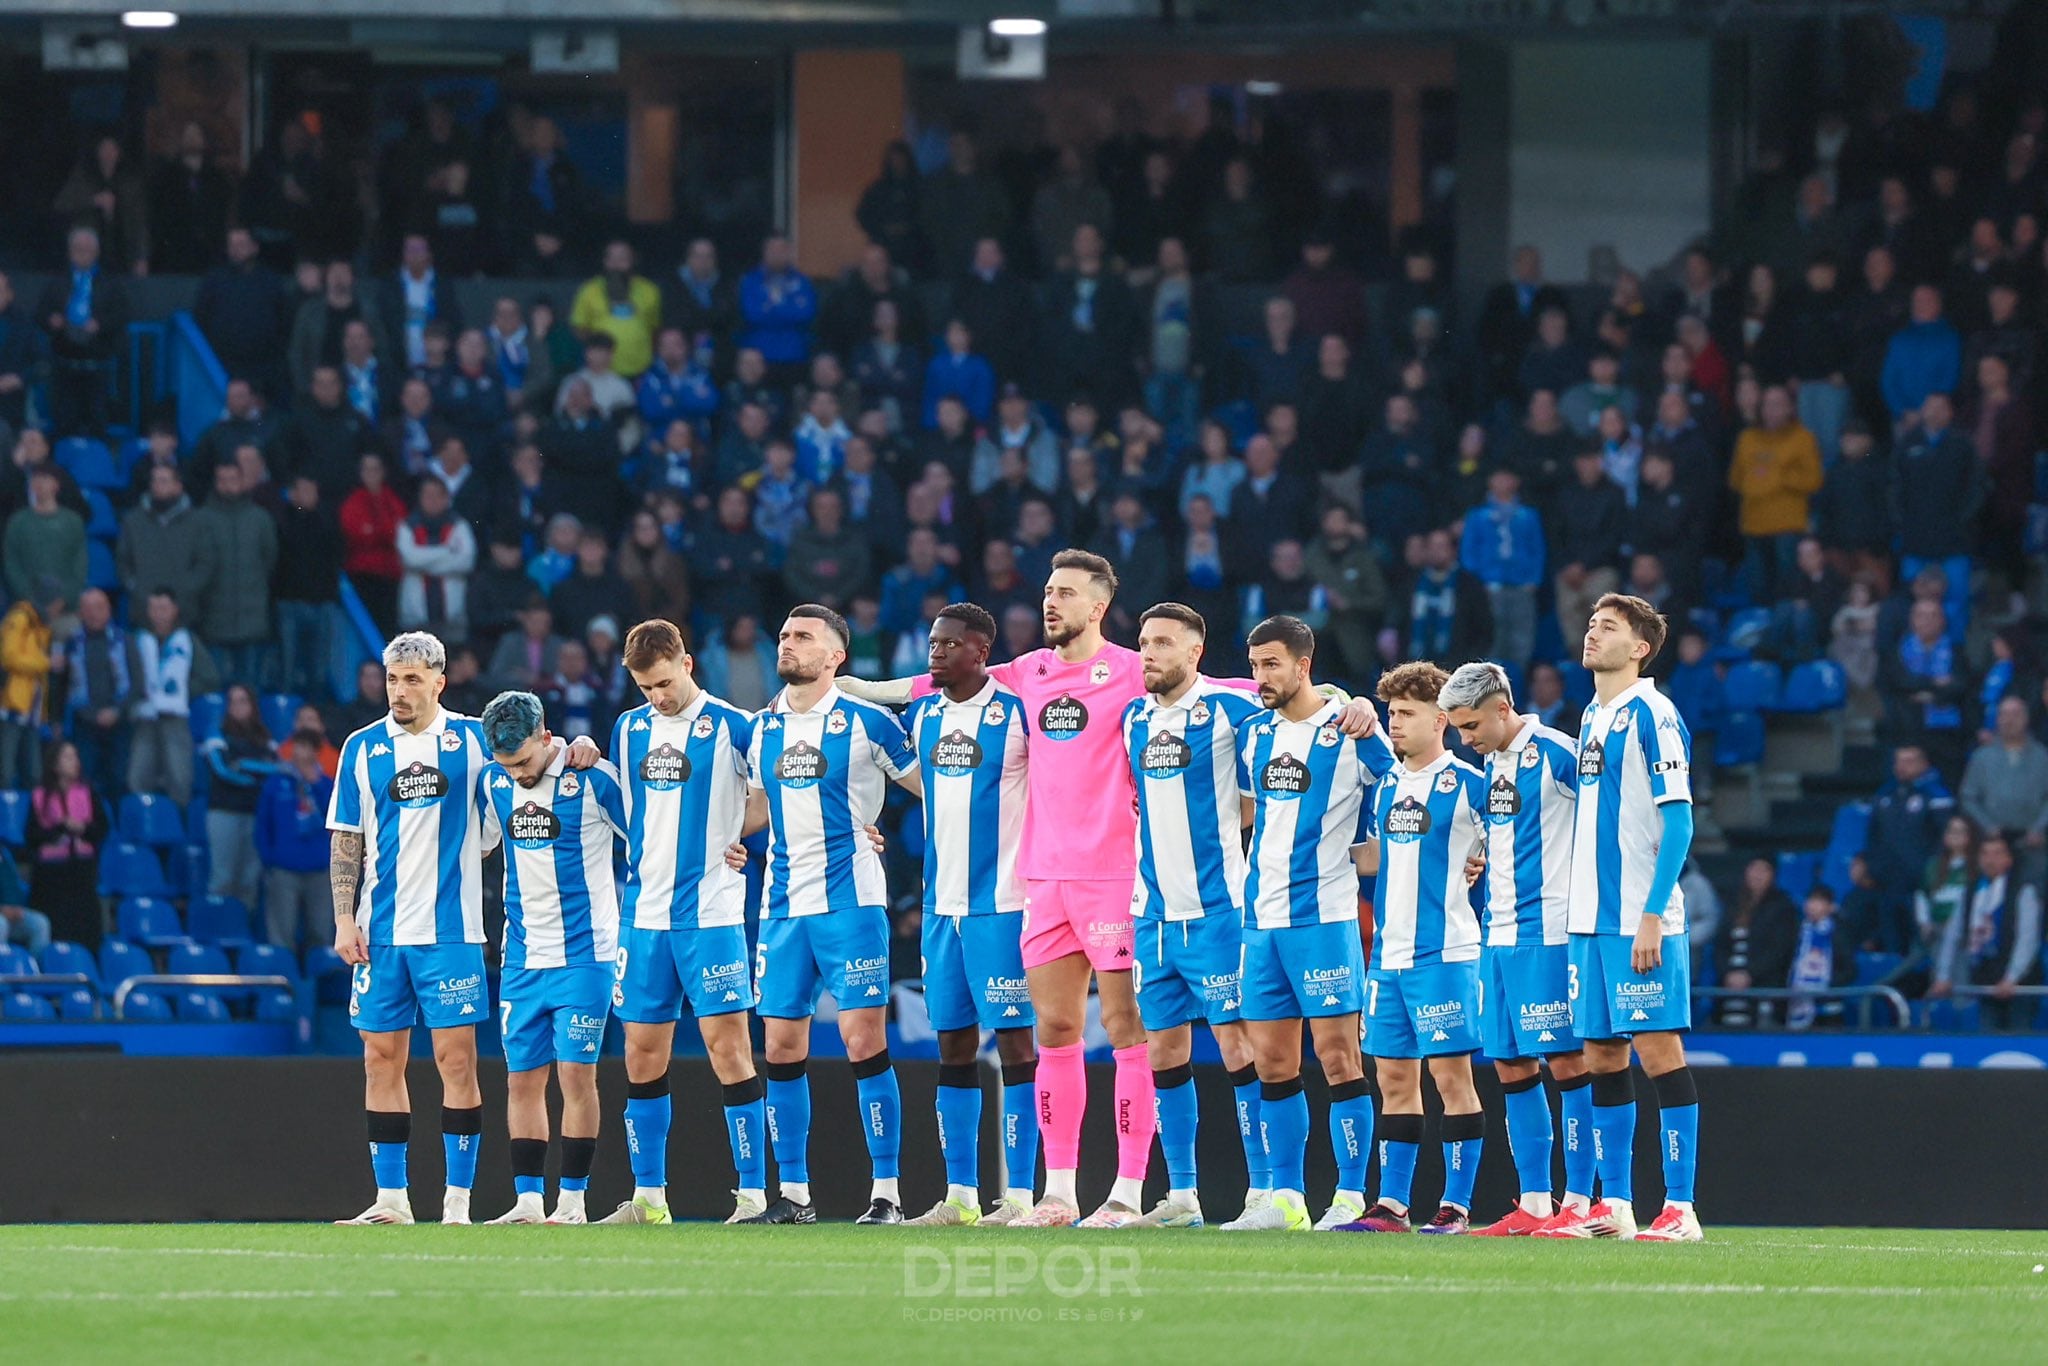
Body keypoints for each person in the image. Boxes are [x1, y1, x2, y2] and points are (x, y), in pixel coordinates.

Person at [842, 553, 1377, 1225]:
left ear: (1097, 607)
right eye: (1047, 591)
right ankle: (1059, 1191)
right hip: (1042, 878)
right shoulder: (1026, 672)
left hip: (1120, 882)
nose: (1050, 602)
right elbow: (929, 681)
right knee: (1058, 1029)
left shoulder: (1135, 672)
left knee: (1142, 1033)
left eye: (1065, 593)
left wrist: (1340, 697)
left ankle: (1135, 1189)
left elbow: (1263, 692)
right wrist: (849, 687)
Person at [326, 631, 596, 1226]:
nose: (399, 690)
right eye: (393, 678)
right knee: (380, 1060)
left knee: (456, 1063)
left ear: (439, 682)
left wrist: (580, 743)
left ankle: (457, 1204)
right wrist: (345, 917)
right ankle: (392, 1200)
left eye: (413, 679)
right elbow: (347, 836)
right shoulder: (361, 747)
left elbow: (536, 758)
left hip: (453, 933)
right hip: (382, 932)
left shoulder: (475, 740)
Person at [734, 605, 921, 1224]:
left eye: (803, 637)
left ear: (836, 657)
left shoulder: (870, 721)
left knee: (862, 1039)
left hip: (852, 902)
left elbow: (933, 786)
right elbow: (758, 806)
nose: (788, 644)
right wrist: (729, 839)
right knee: (781, 1045)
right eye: (784, 634)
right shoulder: (761, 728)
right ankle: (794, 1195)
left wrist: (888, 831)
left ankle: (887, 1193)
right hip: (783, 904)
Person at [1534, 594, 1701, 1243]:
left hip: (1637, 918)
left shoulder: (1654, 714)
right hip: (1588, 923)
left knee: (1659, 1053)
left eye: (1607, 627)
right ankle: (1617, 1206)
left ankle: (1681, 1209)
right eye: (1590, 623)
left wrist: (1653, 915)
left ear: (1639, 647)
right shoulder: (1594, 715)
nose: (1591, 633)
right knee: (1603, 1056)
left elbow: (1679, 819)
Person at [1220, 618, 1393, 1234]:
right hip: (1260, 921)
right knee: (1272, 1063)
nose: (1261, 677)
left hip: (1324, 918)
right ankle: (1286, 1197)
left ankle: (1349, 1194)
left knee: (1340, 1058)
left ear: (1303, 664)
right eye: (1254, 664)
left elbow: (1405, 785)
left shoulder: (1351, 730)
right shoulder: (1253, 734)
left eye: (1272, 664)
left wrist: (1362, 706)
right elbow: (1246, 811)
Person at [596, 621, 769, 1225]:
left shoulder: (732, 724)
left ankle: (752, 1195)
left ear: (688, 663)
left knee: (730, 1050)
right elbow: (625, 808)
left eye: (665, 683)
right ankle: (649, 1199)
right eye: (645, 687)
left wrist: (736, 831)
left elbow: (776, 788)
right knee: (641, 1054)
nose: (657, 697)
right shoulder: (628, 728)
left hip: (712, 914)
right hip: (644, 916)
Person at [1114, 603, 1272, 1229]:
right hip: (1152, 913)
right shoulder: (1132, 718)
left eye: (1161, 644)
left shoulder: (1232, 709)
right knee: (1163, 1051)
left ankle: (1266, 1190)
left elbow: (1298, 710)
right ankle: (1183, 1195)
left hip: (1219, 912)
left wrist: (1351, 701)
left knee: (1240, 1047)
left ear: (1194, 653)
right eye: (1143, 642)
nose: (1147, 653)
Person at [1439, 662, 1592, 1236]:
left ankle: (1579, 1203)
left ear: (1503, 707)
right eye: (1456, 728)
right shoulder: (1492, 766)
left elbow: (1612, 815)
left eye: (1472, 725)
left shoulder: (1557, 754)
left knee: (1570, 1063)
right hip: (1495, 936)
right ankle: (1534, 1203)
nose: (1465, 738)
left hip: (1547, 935)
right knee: (1509, 1065)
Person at [897, 604, 1038, 1227]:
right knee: (951, 1047)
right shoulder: (922, 715)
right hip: (940, 909)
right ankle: (958, 1196)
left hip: (1002, 907)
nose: (935, 652)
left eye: (948, 644)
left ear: (981, 650)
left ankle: (1024, 1195)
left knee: (1016, 1047)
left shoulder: (1017, 715)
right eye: (932, 642)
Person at [1335, 661, 1486, 1236]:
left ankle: (1456, 1205)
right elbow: (1376, 858)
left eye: (1406, 714)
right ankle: (1393, 1205)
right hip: (1388, 959)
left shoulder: (1472, 785)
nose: (1394, 725)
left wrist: (1486, 859)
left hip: (1445, 955)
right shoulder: (1388, 785)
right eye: (1391, 713)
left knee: (1453, 1080)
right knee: (1395, 1082)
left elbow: (1514, 843)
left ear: (1441, 719)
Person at [477, 690, 628, 1225]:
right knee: (521, 1080)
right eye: (505, 764)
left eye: (523, 761)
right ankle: (526, 1201)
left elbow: (650, 841)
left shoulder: (594, 779)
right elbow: (478, 845)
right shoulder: (493, 782)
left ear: (546, 738)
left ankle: (572, 1202)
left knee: (576, 1077)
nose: (516, 773)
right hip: (520, 959)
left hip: (587, 956)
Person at [1930, 832, 2044, 1030]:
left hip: (2019, 986)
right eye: (1985, 854)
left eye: (1997, 853)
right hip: (1986, 982)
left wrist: (2012, 978)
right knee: (1988, 1036)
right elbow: (1953, 935)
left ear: (2008, 859)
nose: (1990, 860)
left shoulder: (2023, 891)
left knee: (2019, 1040)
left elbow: (2027, 938)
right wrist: (1943, 976)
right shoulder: (1970, 892)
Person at [125, 591, 219, 807]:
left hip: (175, 716)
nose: (158, 614)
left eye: (164, 608)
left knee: (179, 776)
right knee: (138, 775)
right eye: (154, 608)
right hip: (145, 716)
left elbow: (210, 678)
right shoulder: (138, 639)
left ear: (175, 610)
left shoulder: (187, 640)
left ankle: (180, 827)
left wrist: (183, 690)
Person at [37, 227, 129, 435]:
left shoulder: (110, 283)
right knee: (64, 421)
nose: (82, 254)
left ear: (96, 253)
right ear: (70, 252)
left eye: (87, 250)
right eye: (78, 249)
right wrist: (52, 319)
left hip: (97, 364)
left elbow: (122, 313)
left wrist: (99, 323)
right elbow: (41, 313)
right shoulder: (58, 281)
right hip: (65, 363)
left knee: (98, 419)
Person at [255, 728, 335, 953]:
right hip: (284, 868)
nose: (303, 753)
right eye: (299, 746)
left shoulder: (327, 785)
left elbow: (337, 819)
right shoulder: (276, 783)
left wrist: (316, 785)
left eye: (309, 748)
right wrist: (270, 858)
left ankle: (320, 984)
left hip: (319, 868)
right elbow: (263, 824)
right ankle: (283, 980)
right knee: (281, 935)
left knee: (321, 934)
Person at [201, 684, 279, 912]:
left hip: (255, 814)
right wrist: (255, 776)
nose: (238, 707)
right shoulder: (217, 733)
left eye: (243, 700)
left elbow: (277, 769)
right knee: (222, 876)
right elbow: (222, 770)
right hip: (224, 812)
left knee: (250, 879)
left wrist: (244, 765)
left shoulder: (265, 739)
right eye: (233, 702)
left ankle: (242, 933)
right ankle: (218, 930)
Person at [1959, 696, 2048, 891]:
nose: (2010, 720)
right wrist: (1988, 825)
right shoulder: (1982, 757)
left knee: (2031, 898)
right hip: (1992, 843)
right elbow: (1968, 797)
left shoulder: (2043, 757)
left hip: (2032, 844)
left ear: (2026, 718)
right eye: (2004, 714)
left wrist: (2039, 828)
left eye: (2016, 714)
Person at [25, 739, 107, 951]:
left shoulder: (88, 793)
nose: (75, 762)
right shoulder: (39, 796)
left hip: (81, 872)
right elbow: (32, 837)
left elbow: (101, 829)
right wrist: (60, 828)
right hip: (51, 877)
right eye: (68, 757)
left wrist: (82, 829)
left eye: (76, 757)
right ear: (55, 764)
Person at [1713, 857, 1800, 1029]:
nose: (1757, 875)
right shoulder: (1733, 903)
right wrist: (1728, 973)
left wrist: (1750, 974)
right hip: (1728, 990)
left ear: (1773, 875)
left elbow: (1779, 950)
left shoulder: (1783, 907)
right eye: (1754, 869)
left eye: (1764, 870)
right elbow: (1720, 946)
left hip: (1764, 989)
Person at [61, 587, 130, 796]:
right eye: (88, 608)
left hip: (120, 723)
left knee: (119, 779)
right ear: (80, 613)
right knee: (83, 780)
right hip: (85, 722)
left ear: (109, 610)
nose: (93, 613)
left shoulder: (124, 641)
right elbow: (64, 685)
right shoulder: (72, 643)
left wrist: (116, 712)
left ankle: (119, 826)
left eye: (99, 607)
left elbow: (137, 684)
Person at [569, 241, 661, 381]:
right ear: (605, 262)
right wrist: (598, 350)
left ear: (633, 261)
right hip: (602, 372)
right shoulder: (588, 290)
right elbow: (579, 328)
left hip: (642, 371)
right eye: (612, 259)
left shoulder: (650, 290)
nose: (616, 264)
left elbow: (655, 329)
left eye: (622, 259)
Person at [0, 579, 61, 790]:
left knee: (34, 773)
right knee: (4, 770)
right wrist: (45, 663)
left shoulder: (42, 626)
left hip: (32, 707)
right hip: (12, 704)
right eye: (56, 605)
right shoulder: (19, 619)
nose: (58, 610)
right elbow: (8, 657)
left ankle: (30, 820)